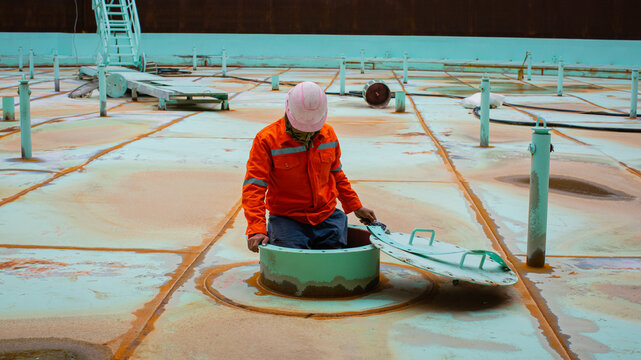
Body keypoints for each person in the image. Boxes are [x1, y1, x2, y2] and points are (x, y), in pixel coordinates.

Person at [242, 81, 376, 252]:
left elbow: (336, 175)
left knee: (333, 266)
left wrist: (355, 206)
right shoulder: (267, 140)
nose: (308, 133)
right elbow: (254, 186)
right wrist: (256, 229)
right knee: (292, 268)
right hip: (288, 218)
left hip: (326, 215)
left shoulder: (328, 135)